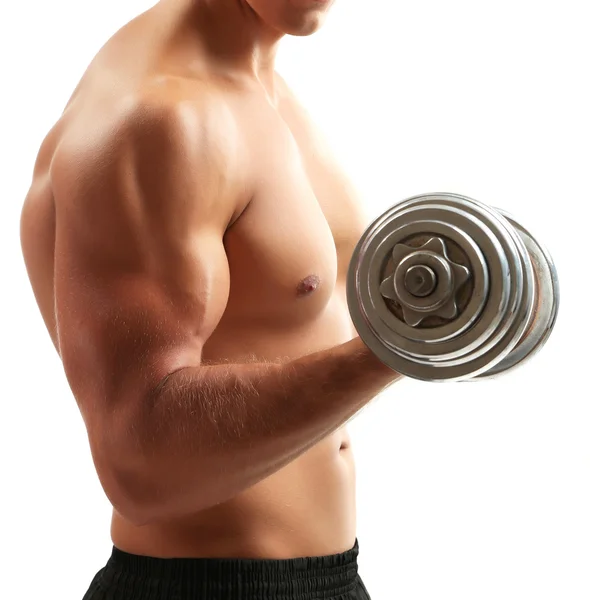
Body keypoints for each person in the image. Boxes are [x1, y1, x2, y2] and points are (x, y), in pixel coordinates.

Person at [19, 1, 403, 598]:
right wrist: (394, 351)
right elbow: (137, 463)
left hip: (335, 577)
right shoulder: (160, 119)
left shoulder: (267, 88)